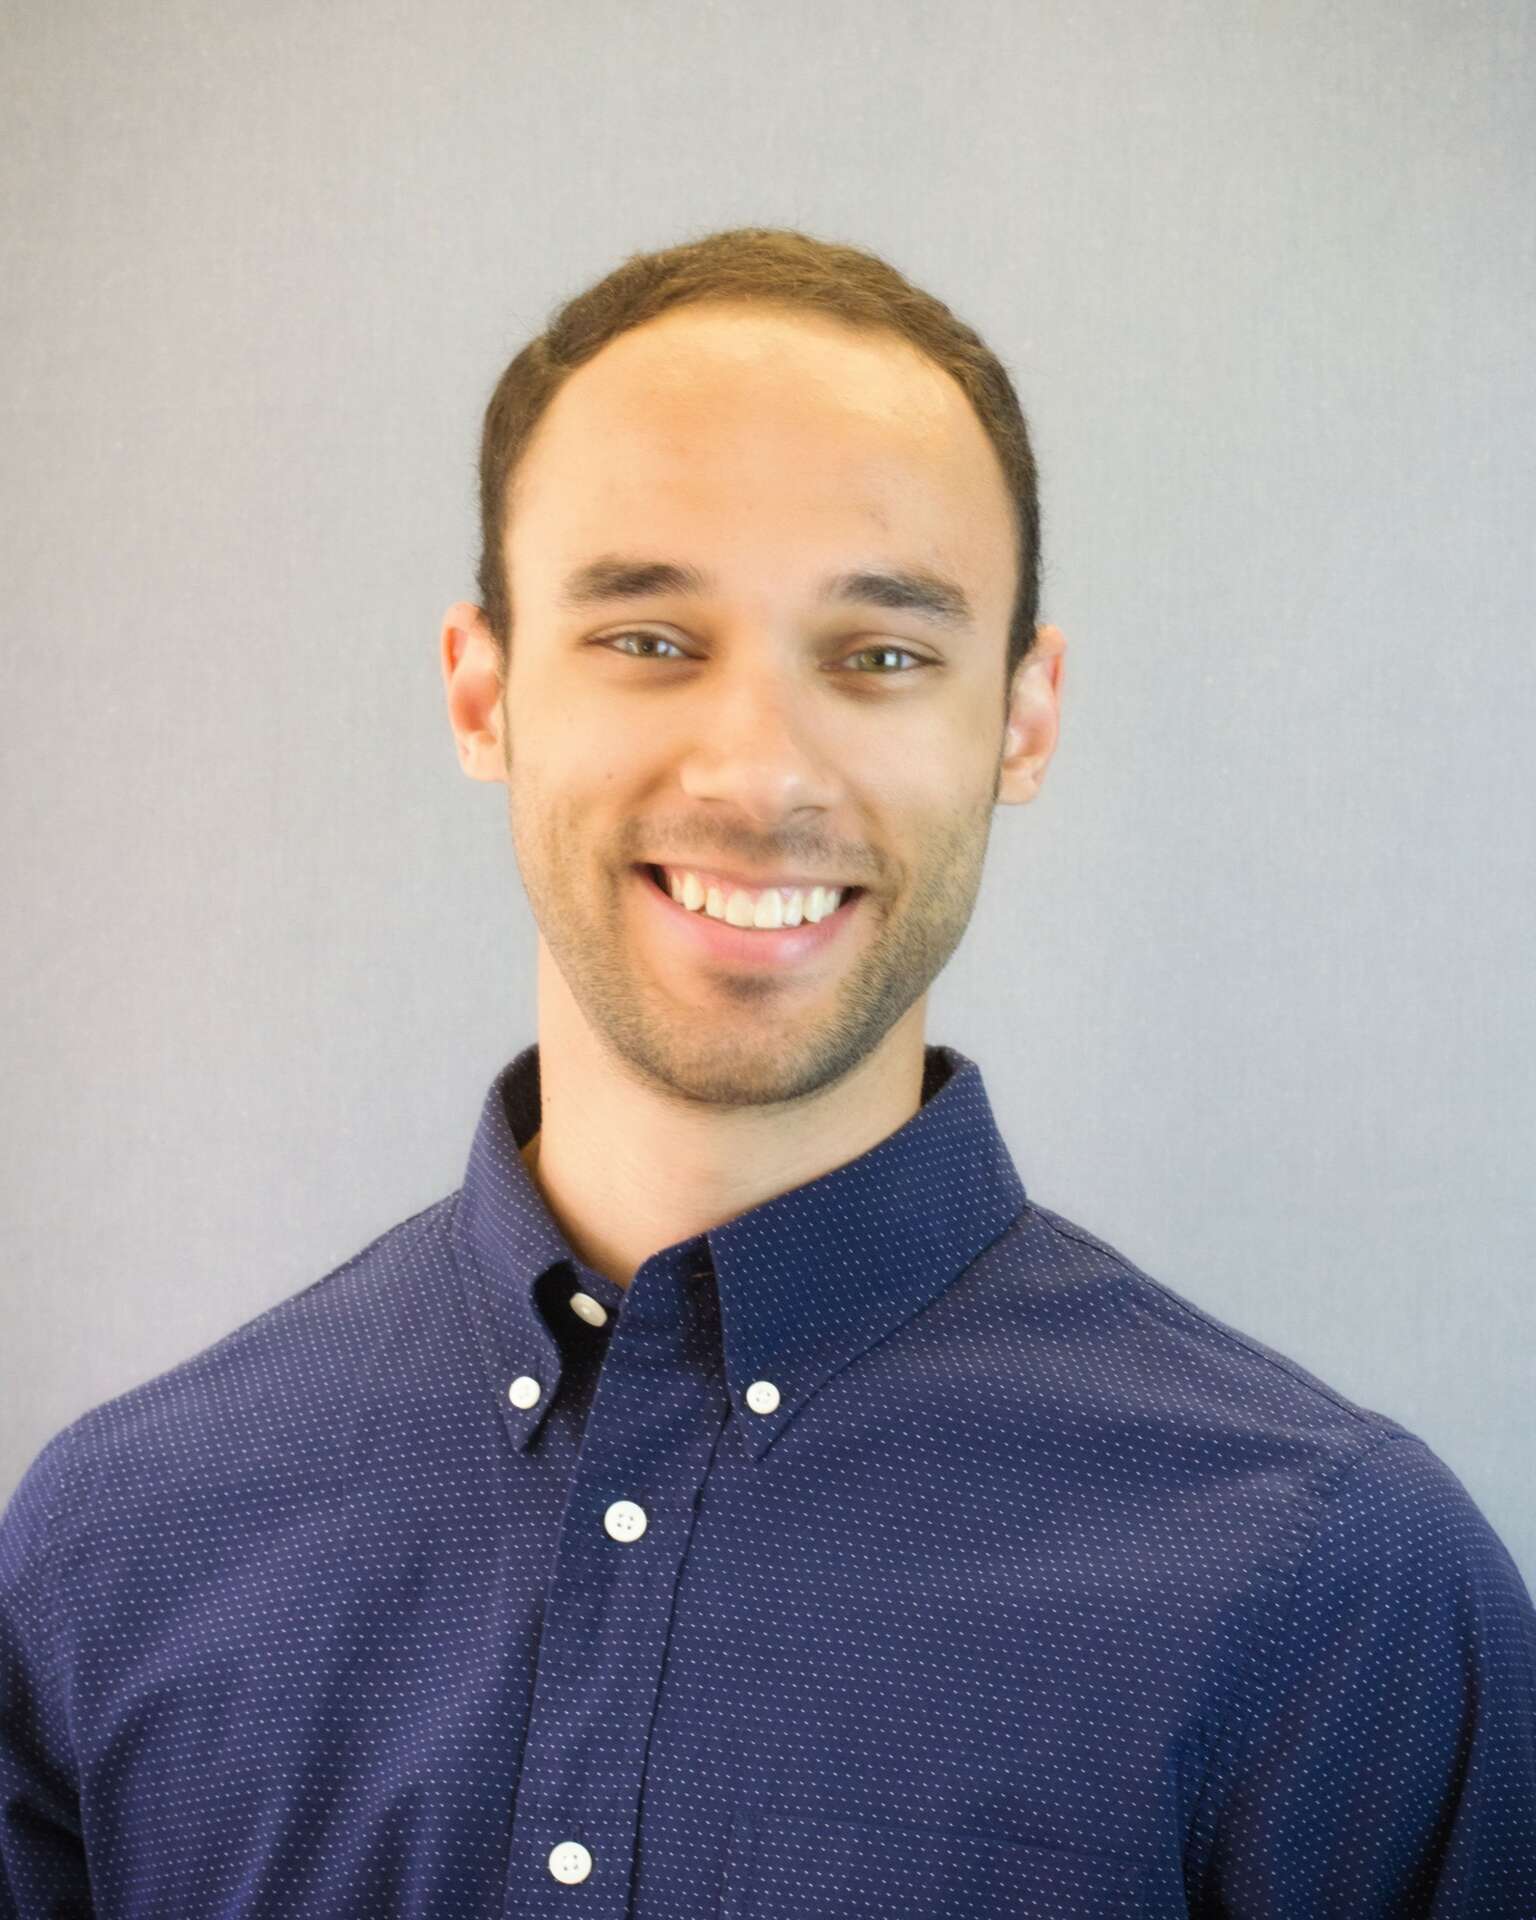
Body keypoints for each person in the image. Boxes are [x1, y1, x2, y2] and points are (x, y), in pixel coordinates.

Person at [2, 226, 1533, 1918]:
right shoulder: (109, 1555)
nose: (756, 772)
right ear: (482, 692)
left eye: (881, 655)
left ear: (1022, 719)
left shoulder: (1339, 1596)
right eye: (649, 639)